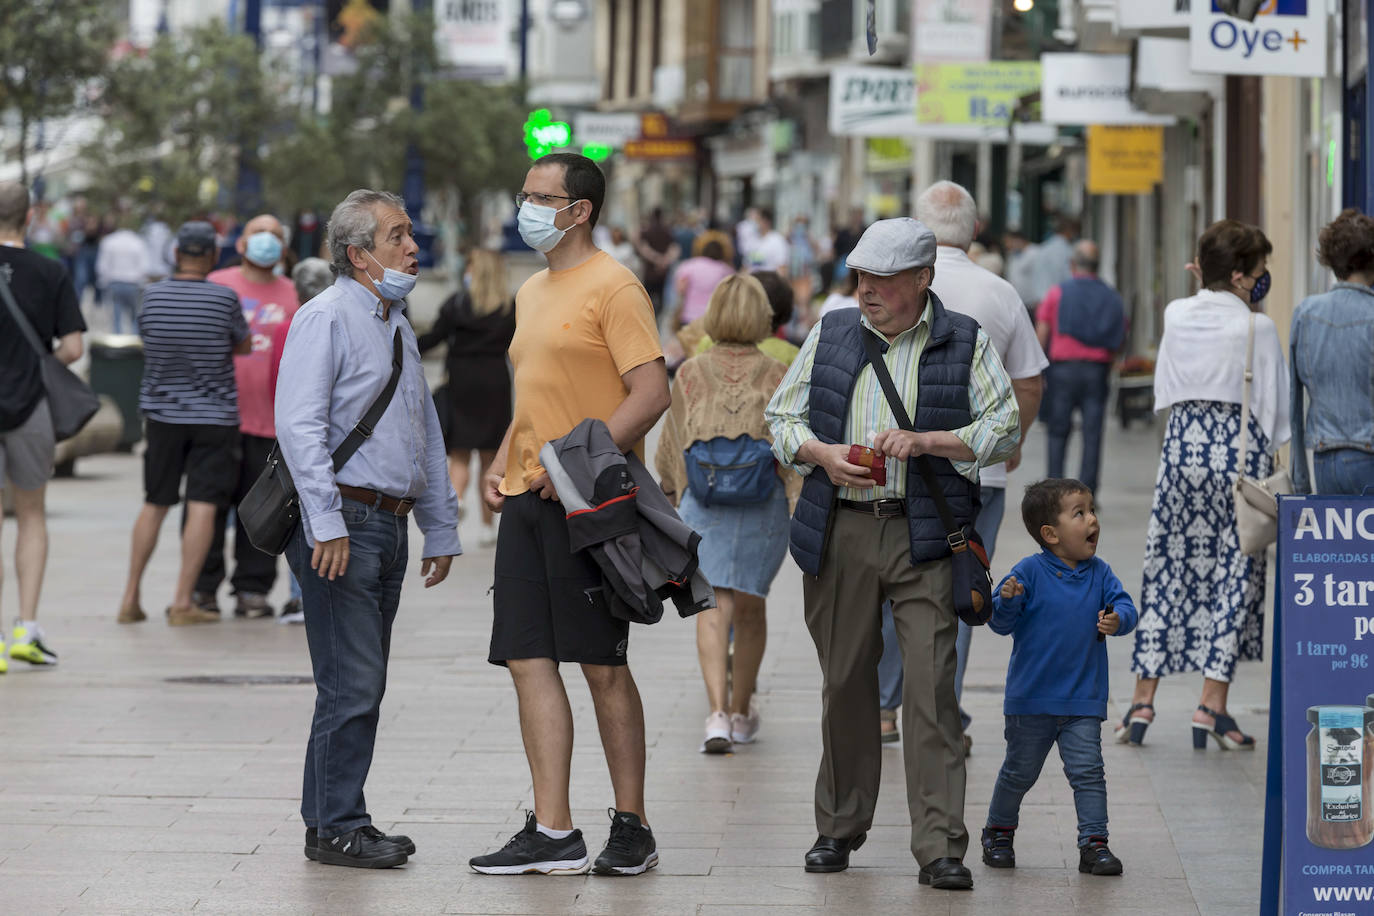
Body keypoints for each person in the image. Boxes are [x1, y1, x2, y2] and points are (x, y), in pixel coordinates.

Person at [765, 217, 1020, 889]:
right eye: (861, 277)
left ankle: (940, 845)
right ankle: (840, 826)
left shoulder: (964, 339)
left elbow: (1003, 429)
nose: (867, 291)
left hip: (926, 530)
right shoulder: (832, 332)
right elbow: (780, 418)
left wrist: (930, 441)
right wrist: (819, 454)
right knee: (846, 681)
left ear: (923, 280)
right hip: (842, 527)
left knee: (931, 687)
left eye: (883, 280)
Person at [469, 153, 669, 877]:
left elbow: (651, 393)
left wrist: (575, 462)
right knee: (527, 659)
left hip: (589, 503)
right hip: (526, 497)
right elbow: (536, 393)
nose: (525, 206)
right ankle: (553, 829)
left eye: (540, 196)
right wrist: (502, 457)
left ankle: (632, 824)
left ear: (579, 209)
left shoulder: (615, 287)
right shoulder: (532, 290)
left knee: (601, 664)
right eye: (523, 194)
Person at [275, 189, 460, 868]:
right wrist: (325, 523)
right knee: (352, 681)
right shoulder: (324, 318)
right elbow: (298, 426)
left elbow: (423, 430)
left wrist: (439, 527)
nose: (413, 247)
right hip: (344, 523)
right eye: (397, 236)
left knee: (362, 680)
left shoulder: (397, 324)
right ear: (357, 254)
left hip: (388, 524)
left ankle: (334, 819)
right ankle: (336, 825)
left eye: (410, 235)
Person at [875, 181, 1048, 746]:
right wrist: (1011, 440)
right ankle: (944, 712)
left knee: (890, 581)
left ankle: (883, 706)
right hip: (976, 471)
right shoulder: (999, 293)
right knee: (963, 584)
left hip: (894, 462)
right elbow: (1029, 382)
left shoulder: (888, 287)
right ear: (975, 230)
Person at [1122, 219, 1289, 749]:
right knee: (1234, 574)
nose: (1264, 280)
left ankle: (1142, 702)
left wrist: (1207, 279)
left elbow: (1168, 387)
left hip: (1180, 452)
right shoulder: (1256, 327)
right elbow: (1277, 413)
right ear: (1241, 276)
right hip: (1236, 457)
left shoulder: (1176, 313)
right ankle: (1211, 705)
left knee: (1167, 568)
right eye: (1260, 271)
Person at [656, 274, 796, 753]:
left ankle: (714, 713)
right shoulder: (779, 374)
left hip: (705, 501)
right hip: (765, 503)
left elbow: (673, 442)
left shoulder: (691, 372)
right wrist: (799, 504)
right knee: (751, 606)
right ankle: (740, 713)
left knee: (712, 606)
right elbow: (794, 448)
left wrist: (672, 496)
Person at [982, 478, 1136, 877]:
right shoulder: (1028, 572)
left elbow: (1125, 605)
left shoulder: (1100, 574)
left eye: (1091, 510)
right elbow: (998, 622)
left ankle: (1094, 843)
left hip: (1083, 701)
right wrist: (1007, 600)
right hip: (1031, 701)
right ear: (1050, 534)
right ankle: (998, 832)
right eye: (1079, 513)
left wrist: (1119, 620)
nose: (1092, 520)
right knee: (1019, 772)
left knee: (1088, 774)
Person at [116, 222, 251, 626]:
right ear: (212, 256)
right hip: (214, 418)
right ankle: (181, 601)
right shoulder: (224, 298)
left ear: (175, 254)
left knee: (154, 503)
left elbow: (148, 337)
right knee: (203, 506)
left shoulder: (150, 296)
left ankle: (129, 596)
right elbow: (242, 344)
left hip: (161, 416)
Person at [192, 214, 301, 619]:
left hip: (271, 426)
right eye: (259, 233)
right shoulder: (217, 285)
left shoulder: (294, 294)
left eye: (276, 234)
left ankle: (252, 591)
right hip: (217, 420)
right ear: (240, 244)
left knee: (264, 511)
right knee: (207, 508)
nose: (267, 241)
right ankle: (202, 588)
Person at [0, 181, 86, 669]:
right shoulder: (50, 271)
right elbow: (73, 349)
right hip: (31, 406)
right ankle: (25, 630)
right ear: (29, 217)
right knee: (31, 514)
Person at [416, 249, 516, 549]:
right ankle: (487, 527)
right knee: (489, 457)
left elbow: (433, 338)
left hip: (461, 381)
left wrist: (404, 348)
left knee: (459, 453)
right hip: (495, 382)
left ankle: (457, 499)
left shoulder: (456, 304)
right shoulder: (509, 308)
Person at [1290, 209, 1374, 495]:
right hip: (1369, 457)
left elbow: (1295, 403)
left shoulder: (1306, 313)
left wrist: (1300, 480)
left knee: (1336, 542)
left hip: (1325, 461)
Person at [275, 257, 336, 626]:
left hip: (281, 437)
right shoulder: (322, 321)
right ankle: (302, 596)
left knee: (292, 515)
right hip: (311, 438)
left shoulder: (291, 325)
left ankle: (298, 596)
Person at [1036, 240, 1124, 494]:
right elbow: (1120, 337)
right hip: (1096, 371)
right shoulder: (1111, 296)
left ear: (1073, 264)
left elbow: (1042, 332)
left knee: (1057, 431)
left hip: (1062, 371)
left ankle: (1053, 490)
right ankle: (1088, 492)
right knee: (1093, 433)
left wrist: (1037, 370)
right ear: (1096, 266)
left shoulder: (1057, 293)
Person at [95, 219, 151, 335]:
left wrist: (104, 282)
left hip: (115, 282)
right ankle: (135, 342)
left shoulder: (109, 241)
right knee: (135, 316)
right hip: (133, 283)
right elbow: (144, 267)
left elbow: (102, 266)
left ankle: (118, 342)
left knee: (116, 317)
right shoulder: (138, 241)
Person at [671, 239, 734, 330]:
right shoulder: (725, 270)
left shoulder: (689, 265)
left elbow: (681, 289)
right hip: (712, 317)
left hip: (689, 315)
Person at [634, 208, 679, 316]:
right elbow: (674, 249)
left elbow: (642, 248)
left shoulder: (647, 231)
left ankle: (651, 319)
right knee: (661, 298)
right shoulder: (668, 231)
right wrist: (664, 260)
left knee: (647, 298)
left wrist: (655, 259)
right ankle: (658, 319)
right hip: (663, 271)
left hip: (650, 271)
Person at [745, 208, 790, 276]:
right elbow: (746, 267)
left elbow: (782, 268)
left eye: (757, 219)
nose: (754, 222)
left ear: (766, 221)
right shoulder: (752, 240)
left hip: (768, 284)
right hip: (753, 283)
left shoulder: (777, 240)